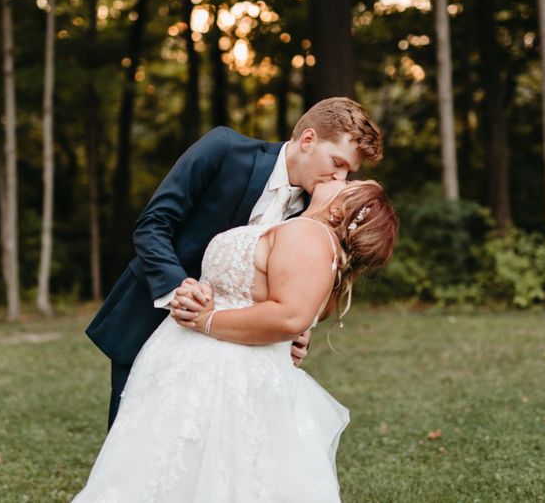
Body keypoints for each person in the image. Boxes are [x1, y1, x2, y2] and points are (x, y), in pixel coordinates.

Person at [73, 179, 398, 502]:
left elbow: (289, 317)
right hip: (197, 366)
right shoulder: (306, 233)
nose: (339, 177)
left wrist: (207, 320)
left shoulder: (309, 236)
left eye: (350, 182)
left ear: (341, 209)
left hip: (223, 373)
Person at [85, 97, 383, 428]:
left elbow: (291, 288)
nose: (340, 179)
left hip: (233, 355)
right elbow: (153, 224)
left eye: (348, 172)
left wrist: (296, 331)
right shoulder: (224, 150)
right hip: (151, 318)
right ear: (308, 140)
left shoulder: (316, 214)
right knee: (134, 438)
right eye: (337, 163)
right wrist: (177, 289)